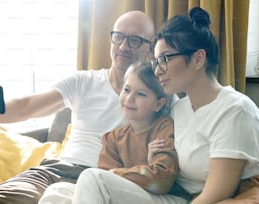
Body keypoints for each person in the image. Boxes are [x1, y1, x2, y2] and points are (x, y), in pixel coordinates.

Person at [0, 10, 155, 204]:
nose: (123, 46)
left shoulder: (159, 98)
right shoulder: (84, 81)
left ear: (150, 48)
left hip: (106, 182)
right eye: (118, 37)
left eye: (134, 40)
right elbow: (27, 107)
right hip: (56, 170)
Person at [70, 7, 259, 204]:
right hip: (171, 195)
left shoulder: (234, 110)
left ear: (198, 59)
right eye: (157, 61)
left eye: (165, 59)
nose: (158, 71)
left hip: (199, 199)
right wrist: (151, 157)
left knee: (94, 179)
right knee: (75, 188)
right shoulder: (178, 109)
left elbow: (218, 193)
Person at [39, 62, 186, 204]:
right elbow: (108, 180)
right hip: (131, 193)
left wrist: (117, 173)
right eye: (126, 90)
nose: (129, 99)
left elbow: (161, 181)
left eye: (141, 94)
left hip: (167, 198)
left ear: (158, 104)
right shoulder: (113, 138)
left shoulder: (164, 127)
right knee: (58, 191)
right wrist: (146, 165)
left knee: (91, 176)